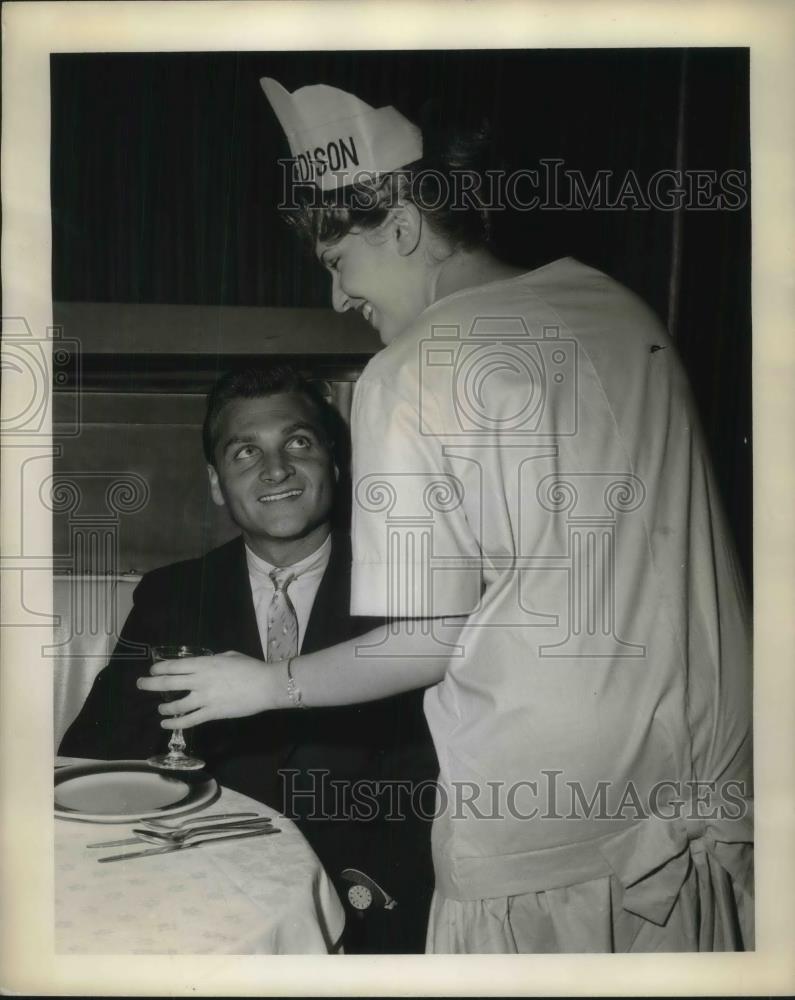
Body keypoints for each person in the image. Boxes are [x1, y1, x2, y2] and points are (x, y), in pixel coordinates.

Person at [140, 80, 753, 953]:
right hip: (697, 792)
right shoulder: (620, 311)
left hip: (543, 811)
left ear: (401, 227)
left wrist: (264, 684)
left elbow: (431, 635)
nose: (338, 300)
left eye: (336, 263)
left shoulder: (412, 367)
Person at [60, 365, 438, 955]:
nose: (276, 468)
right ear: (216, 484)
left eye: (298, 442)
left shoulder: (413, 590)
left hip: (379, 904)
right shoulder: (172, 595)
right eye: (245, 452)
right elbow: (98, 752)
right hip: (209, 894)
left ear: (334, 464)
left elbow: (433, 783)